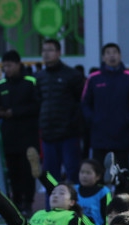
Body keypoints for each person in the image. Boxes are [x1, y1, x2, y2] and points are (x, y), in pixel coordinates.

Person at [0, 51, 41, 215]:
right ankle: (16, 202)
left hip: (28, 135)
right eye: (4, 66)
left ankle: (28, 203)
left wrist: (15, 112)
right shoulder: (1, 85)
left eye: (10, 65)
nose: (7, 69)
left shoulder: (31, 82)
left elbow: (37, 106)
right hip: (9, 136)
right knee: (13, 172)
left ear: (18, 64)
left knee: (27, 170)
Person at [82, 43, 129, 169]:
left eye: (115, 52)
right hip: (99, 134)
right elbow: (85, 103)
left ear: (120, 56)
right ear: (103, 57)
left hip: (121, 133)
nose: (112, 56)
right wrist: (93, 119)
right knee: (97, 173)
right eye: (108, 53)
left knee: (122, 174)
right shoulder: (94, 78)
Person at [36, 39, 85, 184]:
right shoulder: (39, 77)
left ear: (58, 52)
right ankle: (51, 205)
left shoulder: (72, 75)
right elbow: (38, 102)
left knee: (73, 173)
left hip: (68, 135)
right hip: (48, 135)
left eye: (50, 50)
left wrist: (74, 125)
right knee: (50, 177)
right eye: (44, 50)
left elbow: (80, 102)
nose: (46, 54)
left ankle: (76, 206)